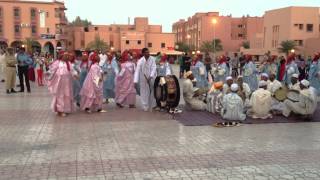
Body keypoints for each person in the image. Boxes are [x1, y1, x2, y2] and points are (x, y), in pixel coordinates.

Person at [46, 51, 74, 117]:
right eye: (65, 55)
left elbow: (72, 71)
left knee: (67, 95)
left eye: (67, 55)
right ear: (61, 56)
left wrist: (75, 75)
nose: (67, 57)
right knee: (60, 95)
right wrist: (48, 74)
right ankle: (60, 110)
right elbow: (52, 70)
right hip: (59, 82)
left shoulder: (68, 63)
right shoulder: (57, 63)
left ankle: (66, 109)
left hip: (67, 82)